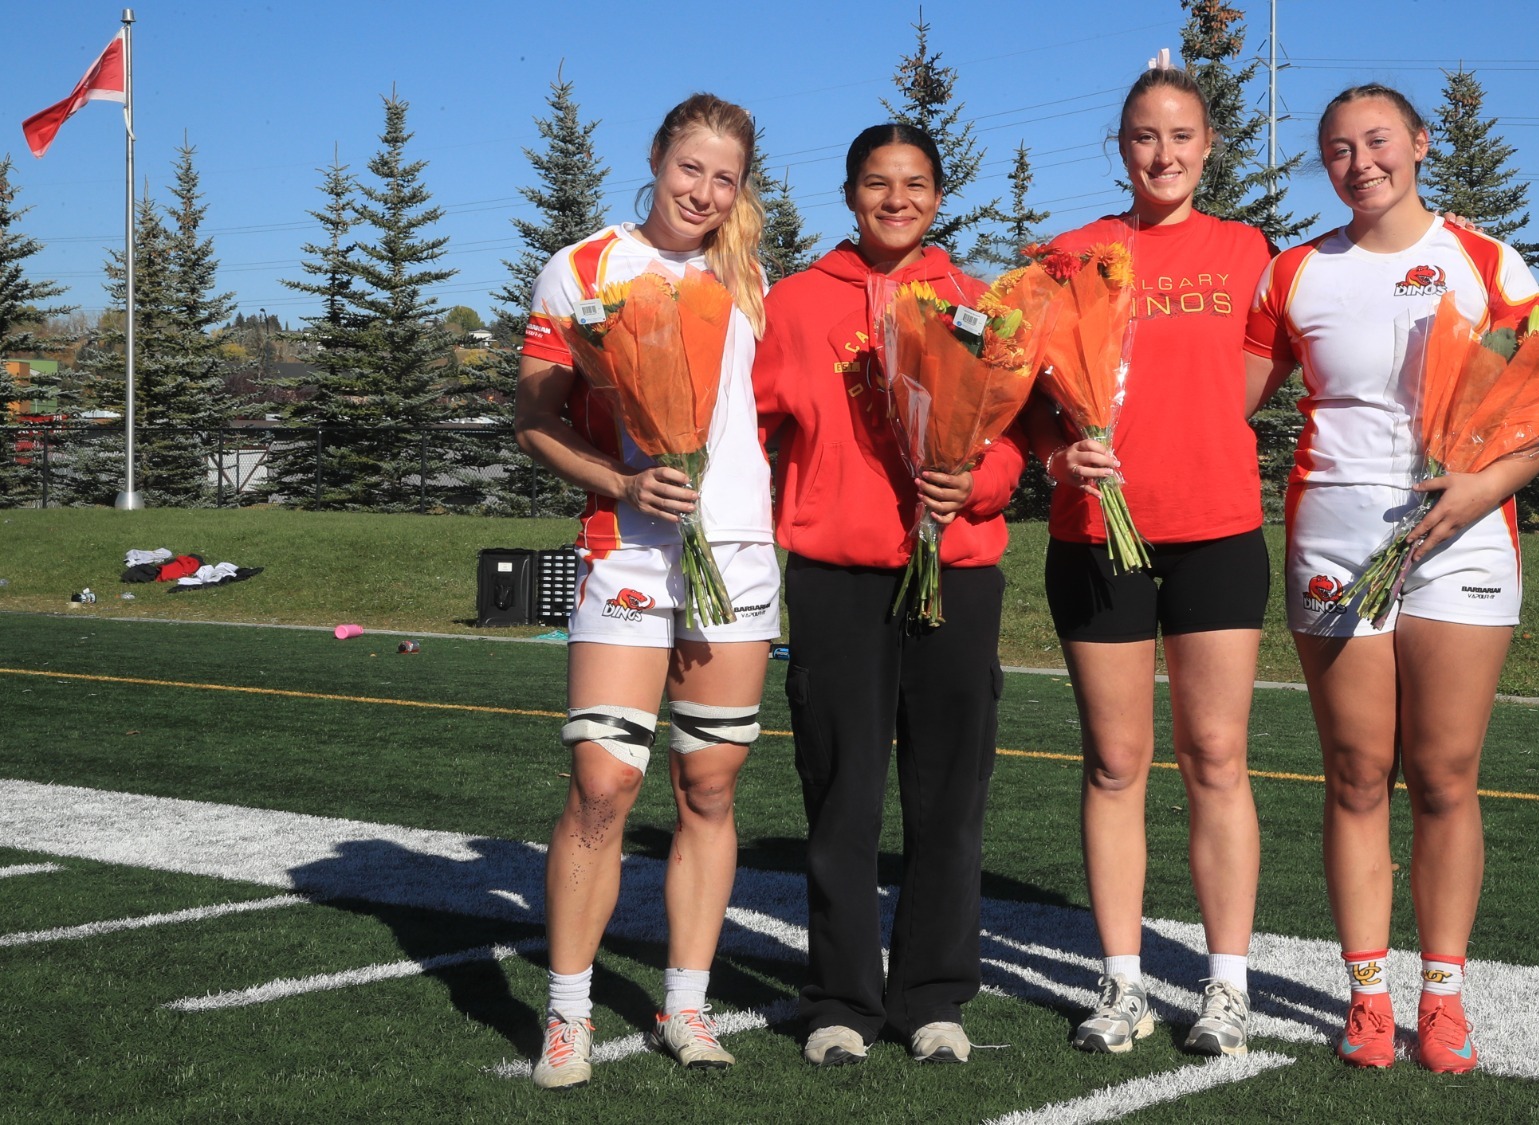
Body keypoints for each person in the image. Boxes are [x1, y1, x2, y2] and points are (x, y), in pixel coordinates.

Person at [1243, 83, 1539, 1074]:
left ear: (1418, 144)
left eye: (1376, 141)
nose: (1359, 162)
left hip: (1460, 536)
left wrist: (1477, 490)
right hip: (1334, 539)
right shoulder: (1292, 273)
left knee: (1445, 773)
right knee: (1353, 773)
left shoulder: (1486, 262)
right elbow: (1221, 404)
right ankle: (1368, 997)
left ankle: (1446, 996)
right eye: (1336, 149)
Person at [514, 92, 777, 1087]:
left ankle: (685, 1005)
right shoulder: (583, 268)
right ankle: (569, 1015)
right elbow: (534, 419)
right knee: (602, 783)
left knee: (706, 785)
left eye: (724, 177)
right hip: (624, 548)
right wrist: (623, 481)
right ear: (656, 159)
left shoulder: (749, 273)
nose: (704, 192)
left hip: (737, 554)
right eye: (689, 170)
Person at [753, 123, 1023, 1067]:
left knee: (949, 794)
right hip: (835, 577)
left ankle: (933, 996)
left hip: (956, 570)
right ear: (850, 193)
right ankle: (840, 999)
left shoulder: (981, 303)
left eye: (914, 184)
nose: (896, 199)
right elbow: (748, 431)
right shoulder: (792, 304)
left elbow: (1017, 437)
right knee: (842, 791)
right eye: (877, 183)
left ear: (939, 197)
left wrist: (975, 487)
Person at [1028, 60, 1276, 1058]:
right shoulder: (1068, 253)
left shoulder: (1246, 249)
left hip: (1216, 530)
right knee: (1115, 762)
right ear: (1119, 147)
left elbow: (1251, 378)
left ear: (1207, 147)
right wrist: (1062, 451)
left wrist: (1191, 437)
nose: (1162, 154)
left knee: (1215, 758)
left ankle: (1224, 987)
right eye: (1143, 136)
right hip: (1097, 537)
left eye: (1180, 136)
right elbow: (1022, 401)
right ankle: (1121, 984)